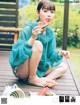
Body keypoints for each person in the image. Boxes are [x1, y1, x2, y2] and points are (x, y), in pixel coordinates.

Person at [9, 0, 70, 87]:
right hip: (22, 70)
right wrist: (32, 38)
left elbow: (50, 55)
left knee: (63, 66)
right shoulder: (28, 29)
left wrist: (60, 53)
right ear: (37, 13)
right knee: (37, 44)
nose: (49, 14)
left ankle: (45, 80)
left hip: (39, 68)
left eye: (52, 12)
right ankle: (33, 78)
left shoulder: (50, 33)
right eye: (45, 11)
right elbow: (17, 56)